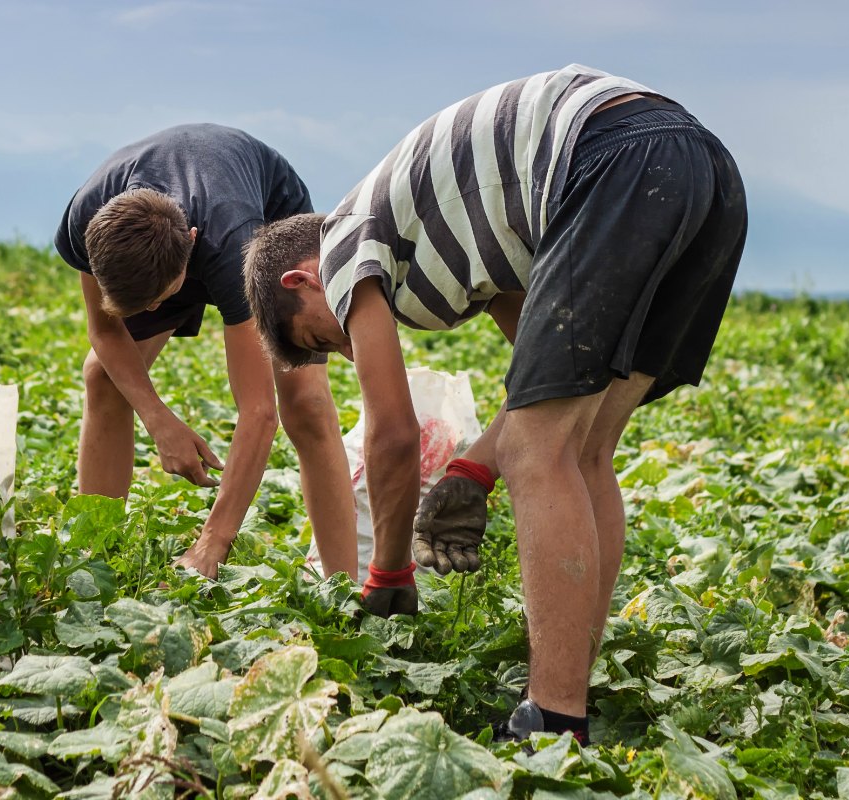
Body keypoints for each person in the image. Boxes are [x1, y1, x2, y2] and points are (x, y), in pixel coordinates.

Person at [242, 66, 747, 742]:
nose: (345, 352)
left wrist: (388, 573)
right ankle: (571, 691)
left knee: (544, 452)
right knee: (582, 444)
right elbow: (536, 388)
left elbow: (392, 434)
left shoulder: (341, 245)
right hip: (702, 171)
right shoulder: (467, 240)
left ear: (301, 280)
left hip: (616, 157)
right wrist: (472, 471)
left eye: (319, 338)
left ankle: (552, 721)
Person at [54, 124, 356, 580]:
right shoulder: (88, 219)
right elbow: (105, 332)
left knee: (306, 405)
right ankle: (93, 558)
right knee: (103, 377)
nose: (155, 312)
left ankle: (343, 586)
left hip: (268, 220)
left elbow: (257, 411)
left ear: (190, 249)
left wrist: (212, 543)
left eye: (160, 300)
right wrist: (159, 419)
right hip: (171, 233)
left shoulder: (235, 249)